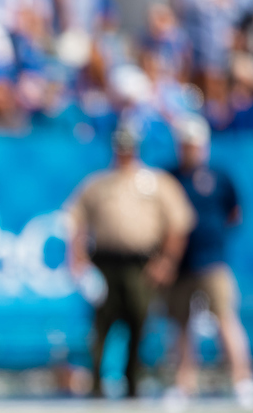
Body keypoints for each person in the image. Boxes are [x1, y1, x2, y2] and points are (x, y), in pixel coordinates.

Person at [67, 123, 195, 398]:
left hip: (141, 263)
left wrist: (167, 261)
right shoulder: (98, 184)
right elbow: (75, 221)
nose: (124, 152)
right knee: (102, 325)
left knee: (139, 321)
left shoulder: (156, 182)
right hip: (105, 262)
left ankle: (133, 383)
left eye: (129, 147)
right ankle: (97, 385)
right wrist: (78, 261)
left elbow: (178, 224)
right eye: (120, 147)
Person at [165, 115, 253, 409]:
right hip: (180, 264)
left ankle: (242, 381)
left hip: (212, 260)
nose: (189, 149)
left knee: (225, 319)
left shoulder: (218, 177)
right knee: (180, 326)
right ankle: (184, 385)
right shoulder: (169, 177)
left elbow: (234, 213)